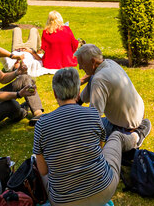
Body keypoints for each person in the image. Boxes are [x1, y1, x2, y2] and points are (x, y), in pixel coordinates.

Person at [34, 68, 139, 206]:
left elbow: (43, 170)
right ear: (78, 93)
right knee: (116, 137)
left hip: (63, 202)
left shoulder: (41, 124)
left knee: (37, 165)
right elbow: (100, 150)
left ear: (54, 94)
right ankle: (136, 136)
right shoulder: (93, 114)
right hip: (103, 191)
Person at [75, 44, 151, 147]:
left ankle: (133, 138)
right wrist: (80, 82)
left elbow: (94, 118)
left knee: (81, 126)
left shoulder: (99, 80)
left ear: (93, 62)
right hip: (138, 114)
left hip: (126, 126)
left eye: (82, 64)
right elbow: (91, 75)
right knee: (93, 78)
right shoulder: (110, 63)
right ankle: (77, 102)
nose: (80, 67)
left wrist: (96, 152)